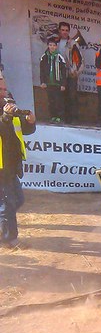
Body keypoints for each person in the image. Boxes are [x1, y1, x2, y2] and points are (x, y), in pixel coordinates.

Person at [0, 72, 36, 248]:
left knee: (17, 200)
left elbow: (24, 129)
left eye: (5, 89)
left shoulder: (9, 105)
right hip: (1, 167)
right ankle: (9, 239)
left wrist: (30, 122)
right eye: (1, 89)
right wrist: (6, 117)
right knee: (8, 204)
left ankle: (3, 229)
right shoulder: (5, 113)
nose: (4, 92)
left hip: (11, 165)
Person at [57, 21, 83, 123]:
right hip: (59, 74)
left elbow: (80, 60)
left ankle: (73, 119)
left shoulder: (74, 43)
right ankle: (62, 118)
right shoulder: (55, 43)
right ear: (59, 31)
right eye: (62, 30)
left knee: (72, 96)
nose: (64, 32)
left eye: (66, 30)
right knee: (60, 97)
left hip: (71, 73)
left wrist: (77, 72)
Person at [40, 37, 67, 124]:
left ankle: (59, 117)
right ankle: (52, 117)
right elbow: (42, 71)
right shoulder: (44, 57)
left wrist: (63, 84)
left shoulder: (60, 57)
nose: (52, 47)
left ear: (56, 46)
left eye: (54, 45)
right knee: (50, 101)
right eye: (50, 45)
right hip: (48, 83)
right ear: (48, 46)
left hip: (57, 83)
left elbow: (64, 72)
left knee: (58, 101)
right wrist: (42, 82)